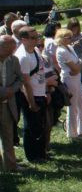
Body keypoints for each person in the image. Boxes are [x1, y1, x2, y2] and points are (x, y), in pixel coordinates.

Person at [15, 26, 50, 163]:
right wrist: (31, 103)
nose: (37, 40)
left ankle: (41, 153)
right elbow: (26, 84)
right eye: (33, 38)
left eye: (38, 36)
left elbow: (41, 72)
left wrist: (46, 91)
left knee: (41, 124)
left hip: (40, 92)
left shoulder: (35, 50)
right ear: (23, 39)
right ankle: (33, 156)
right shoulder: (22, 57)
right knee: (31, 126)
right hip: (31, 95)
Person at [55, 29, 82, 140]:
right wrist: (78, 65)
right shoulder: (61, 51)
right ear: (61, 38)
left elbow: (78, 64)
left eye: (71, 36)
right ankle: (72, 134)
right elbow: (75, 67)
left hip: (76, 78)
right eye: (68, 37)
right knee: (72, 107)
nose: (71, 39)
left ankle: (80, 130)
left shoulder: (69, 47)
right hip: (69, 80)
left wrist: (78, 65)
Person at [0, 36, 22, 171]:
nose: (12, 53)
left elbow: (20, 79)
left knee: (8, 135)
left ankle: (10, 166)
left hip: (8, 103)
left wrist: (10, 91)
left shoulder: (14, 60)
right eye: (9, 50)